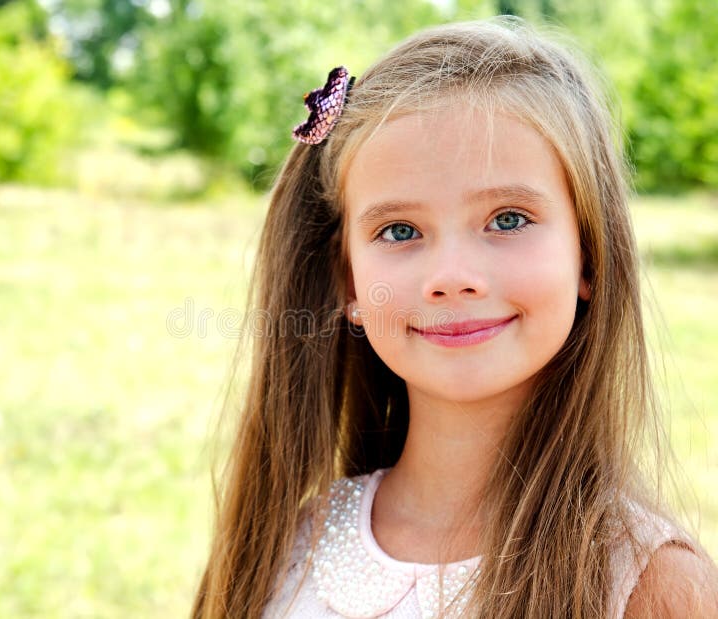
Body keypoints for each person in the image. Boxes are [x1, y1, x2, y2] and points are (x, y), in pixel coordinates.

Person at [192, 18, 718, 618]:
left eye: (509, 219)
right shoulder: (287, 547)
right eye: (399, 230)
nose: (452, 275)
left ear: (589, 254)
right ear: (349, 281)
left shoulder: (653, 584)